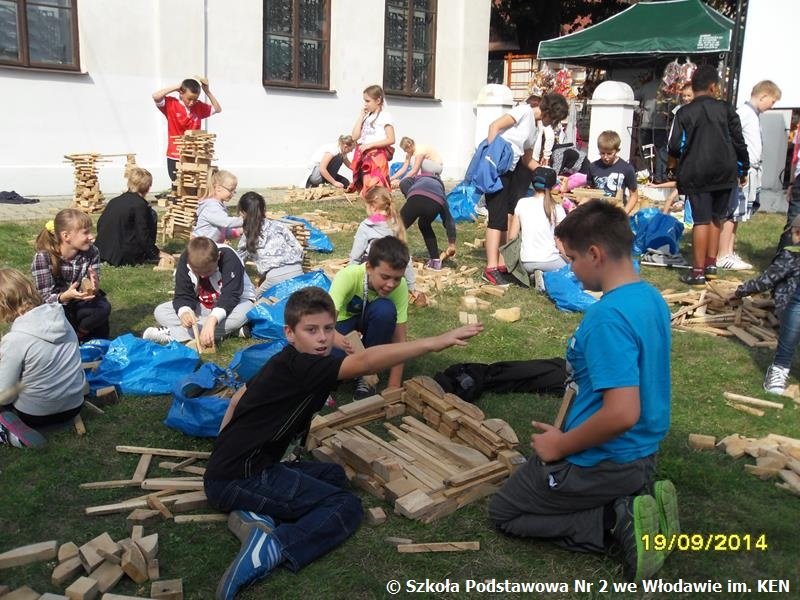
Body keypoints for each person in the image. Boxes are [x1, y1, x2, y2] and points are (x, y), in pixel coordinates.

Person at [203, 286, 482, 599]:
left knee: (334, 475)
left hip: (238, 467)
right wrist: (432, 342)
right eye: (311, 330)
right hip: (239, 477)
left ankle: (255, 515)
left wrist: (221, 451)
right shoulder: (306, 368)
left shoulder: (287, 359)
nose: (322, 338)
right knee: (344, 506)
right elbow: (365, 363)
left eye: (328, 329)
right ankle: (272, 548)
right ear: (290, 333)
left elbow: (236, 400)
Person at [488, 200, 677, 583]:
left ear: (595, 253)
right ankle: (635, 496)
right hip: (640, 454)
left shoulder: (608, 318)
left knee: (505, 512)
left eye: (572, 259)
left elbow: (622, 413)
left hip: (603, 460)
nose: (571, 270)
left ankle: (613, 520)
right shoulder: (649, 298)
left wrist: (562, 446)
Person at [465, 92, 569, 285]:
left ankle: (504, 264)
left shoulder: (534, 130)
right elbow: (494, 126)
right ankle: (490, 268)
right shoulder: (523, 112)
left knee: (508, 215)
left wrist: (549, 174)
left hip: (511, 171)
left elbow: (527, 159)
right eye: (555, 120)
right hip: (497, 169)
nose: (553, 124)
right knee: (497, 218)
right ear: (550, 113)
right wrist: (490, 156)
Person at [668, 64, 749, 286]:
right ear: (714, 87)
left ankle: (697, 272)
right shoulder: (727, 109)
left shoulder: (683, 112)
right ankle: (711, 265)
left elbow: (674, 146)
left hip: (696, 172)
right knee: (716, 218)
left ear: (694, 88)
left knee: (700, 220)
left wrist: (673, 168)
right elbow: (739, 142)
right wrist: (744, 168)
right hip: (724, 171)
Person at [0, 269, 86, 448]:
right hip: (74, 405)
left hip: (36, 414)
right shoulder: (60, 318)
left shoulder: (15, 339)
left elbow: (4, 396)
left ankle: (11, 435)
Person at [330, 236, 410, 399]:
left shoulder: (400, 288)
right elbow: (325, 328)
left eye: (397, 278)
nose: (391, 284)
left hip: (371, 323)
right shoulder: (348, 276)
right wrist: (349, 348)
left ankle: (367, 377)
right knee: (334, 365)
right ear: (368, 268)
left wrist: (393, 386)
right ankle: (351, 368)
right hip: (341, 326)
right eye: (385, 277)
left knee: (385, 310)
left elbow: (400, 341)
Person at [145, 237, 256, 348]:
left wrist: (213, 320)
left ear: (217, 258)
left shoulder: (229, 258)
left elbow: (231, 295)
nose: (203, 276)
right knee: (161, 311)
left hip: (238, 303)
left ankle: (173, 335)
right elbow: (182, 294)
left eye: (208, 271)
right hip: (204, 305)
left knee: (242, 315)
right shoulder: (186, 259)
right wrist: (184, 311)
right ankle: (231, 331)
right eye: (197, 272)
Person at [731, 215, 800, 394]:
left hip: (788, 309)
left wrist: (739, 291)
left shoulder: (791, 254)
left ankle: (779, 368)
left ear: (797, 233)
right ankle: (780, 369)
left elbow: (764, 281)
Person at [718, 80, 782, 270]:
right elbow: (732, 138)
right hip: (742, 170)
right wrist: (739, 167)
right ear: (763, 96)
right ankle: (722, 254)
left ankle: (729, 250)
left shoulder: (753, 115)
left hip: (752, 170)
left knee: (739, 213)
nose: (772, 106)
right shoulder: (744, 113)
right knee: (732, 212)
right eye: (772, 101)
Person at [31, 208, 111, 342]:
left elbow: (92, 287)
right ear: (66, 236)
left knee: (103, 307)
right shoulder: (43, 257)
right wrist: (65, 296)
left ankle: (80, 333)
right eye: (85, 233)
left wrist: (94, 287)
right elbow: (43, 299)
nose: (91, 237)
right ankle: (71, 336)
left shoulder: (92, 252)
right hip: (56, 306)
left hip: (79, 301)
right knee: (58, 318)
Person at [96, 167, 169, 266]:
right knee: (152, 214)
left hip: (102, 252)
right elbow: (142, 234)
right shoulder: (140, 205)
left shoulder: (114, 201)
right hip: (122, 257)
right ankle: (147, 253)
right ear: (147, 187)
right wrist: (156, 253)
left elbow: (100, 224)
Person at [507, 166, 566, 289]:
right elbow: (560, 240)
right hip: (550, 260)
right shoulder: (557, 209)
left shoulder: (522, 203)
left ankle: (535, 275)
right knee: (573, 270)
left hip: (527, 261)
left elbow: (512, 236)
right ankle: (546, 276)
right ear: (553, 186)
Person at [348, 186, 416, 293]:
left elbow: (356, 255)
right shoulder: (396, 223)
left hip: (371, 277)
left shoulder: (367, 225)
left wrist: (349, 277)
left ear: (372, 207)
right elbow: (406, 258)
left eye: (366, 206)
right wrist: (411, 286)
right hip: (393, 274)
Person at [153, 77, 221, 182]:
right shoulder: (171, 104)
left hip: (195, 155)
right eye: (189, 99)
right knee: (178, 185)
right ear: (181, 93)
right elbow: (156, 96)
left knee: (196, 186)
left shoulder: (199, 106)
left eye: (195, 99)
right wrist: (177, 87)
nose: (192, 102)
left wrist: (207, 91)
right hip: (175, 155)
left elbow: (217, 109)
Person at [236, 192, 304, 294]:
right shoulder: (278, 225)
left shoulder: (248, 235)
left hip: (274, 277)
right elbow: (299, 249)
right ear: (264, 209)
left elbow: (238, 262)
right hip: (297, 270)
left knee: (256, 303)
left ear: (243, 213)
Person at [399, 173, 456, 271]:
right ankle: (435, 261)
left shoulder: (419, 178)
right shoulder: (441, 192)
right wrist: (452, 243)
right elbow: (448, 220)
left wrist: (410, 195)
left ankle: (386, 254)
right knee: (424, 225)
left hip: (415, 198)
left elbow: (403, 182)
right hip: (435, 202)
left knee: (397, 228)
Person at [349, 85, 395, 196]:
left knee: (377, 189)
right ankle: (372, 211)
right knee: (367, 190)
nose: (365, 104)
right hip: (364, 156)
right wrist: (361, 116)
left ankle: (382, 211)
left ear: (378, 100)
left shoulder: (385, 116)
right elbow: (355, 137)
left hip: (377, 156)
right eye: (364, 101)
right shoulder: (366, 117)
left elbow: (391, 139)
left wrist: (370, 145)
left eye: (368, 101)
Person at [588, 130, 639, 215]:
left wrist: (623, 214)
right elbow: (589, 192)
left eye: (609, 153)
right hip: (597, 214)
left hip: (617, 213)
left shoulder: (627, 168)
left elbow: (634, 195)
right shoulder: (593, 167)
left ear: (617, 150)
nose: (605, 157)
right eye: (602, 153)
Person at [192, 170, 243, 244]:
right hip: (200, 247)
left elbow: (222, 231)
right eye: (231, 190)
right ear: (218, 188)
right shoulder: (212, 206)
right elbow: (225, 222)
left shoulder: (219, 206)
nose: (232, 194)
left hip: (209, 247)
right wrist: (245, 220)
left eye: (234, 191)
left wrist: (240, 231)